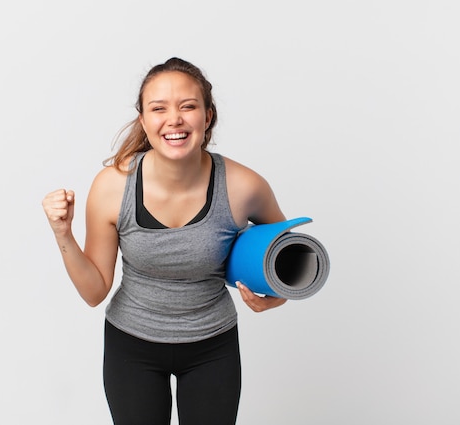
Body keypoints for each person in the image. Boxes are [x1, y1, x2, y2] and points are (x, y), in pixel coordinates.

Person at [42, 57, 287, 425]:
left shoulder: (244, 186)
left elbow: (289, 265)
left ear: (207, 117)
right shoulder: (112, 186)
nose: (174, 119)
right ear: (144, 120)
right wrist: (63, 234)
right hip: (132, 346)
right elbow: (94, 292)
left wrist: (275, 298)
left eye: (188, 106)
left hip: (213, 345)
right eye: (159, 109)